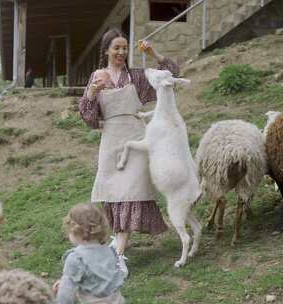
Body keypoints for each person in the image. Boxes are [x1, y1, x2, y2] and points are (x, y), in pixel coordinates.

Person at [78, 28, 180, 272]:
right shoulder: (97, 76)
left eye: (125, 48)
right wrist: (93, 91)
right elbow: (89, 118)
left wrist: (153, 52)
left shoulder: (137, 76)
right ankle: (117, 245)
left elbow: (171, 76)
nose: (121, 52)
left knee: (132, 192)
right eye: (117, 48)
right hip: (111, 142)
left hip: (136, 139)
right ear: (106, 51)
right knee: (114, 195)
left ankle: (118, 257)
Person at [53, 203, 126, 304]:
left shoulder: (76, 259)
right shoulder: (109, 251)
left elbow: (66, 293)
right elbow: (98, 278)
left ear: (75, 231)